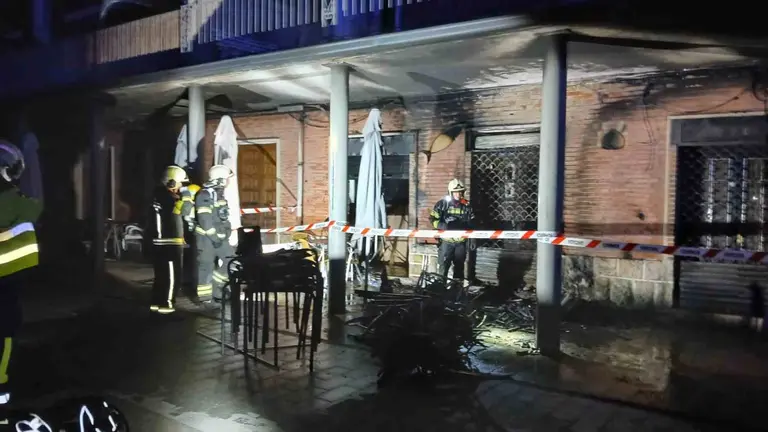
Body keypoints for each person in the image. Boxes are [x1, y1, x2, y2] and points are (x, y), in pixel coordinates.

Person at [0, 140, 42, 407]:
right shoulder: (15, 202)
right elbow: (35, 206)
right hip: (7, 282)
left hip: (8, 281)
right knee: (5, 332)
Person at [194, 165, 235, 305]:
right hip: (206, 239)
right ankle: (205, 299)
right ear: (220, 179)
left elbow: (223, 216)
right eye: (227, 179)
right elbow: (204, 220)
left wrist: (226, 232)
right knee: (206, 267)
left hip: (219, 237)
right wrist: (215, 237)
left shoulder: (219, 194)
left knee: (232, 261)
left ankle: (217, 288)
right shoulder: (204, 195)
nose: (228, 182)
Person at [149, 165, 187, 314]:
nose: (180, 187)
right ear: (171, 183)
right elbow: (180, 211)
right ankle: (167, 307)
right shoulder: (168, 199)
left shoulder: (157, 196)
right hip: (169, 244)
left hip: (159, 244)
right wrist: (186, 199)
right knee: (172, 277)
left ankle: (156, 305)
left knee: (160, 277)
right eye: (179, 183)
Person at [429, 178, 474, 280]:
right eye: (456, 192)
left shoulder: (467, 206)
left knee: (459, 268)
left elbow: (472, 223)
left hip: (460, 243)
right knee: (443, 267)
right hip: (446, 242)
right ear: (450, 192)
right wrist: (442, 226)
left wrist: (473, 238)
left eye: (460, 192)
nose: (458, 194)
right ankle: (441, 286)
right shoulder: (442, 204)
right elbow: (432, 219)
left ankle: (456, 288)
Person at [175, 182, 200, 299]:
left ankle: (186, 283)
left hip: (187, 236)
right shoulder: (190, 204)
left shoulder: (185, 203)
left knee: (188, 260)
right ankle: (190, 285)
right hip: (192, 236)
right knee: (193, 261)